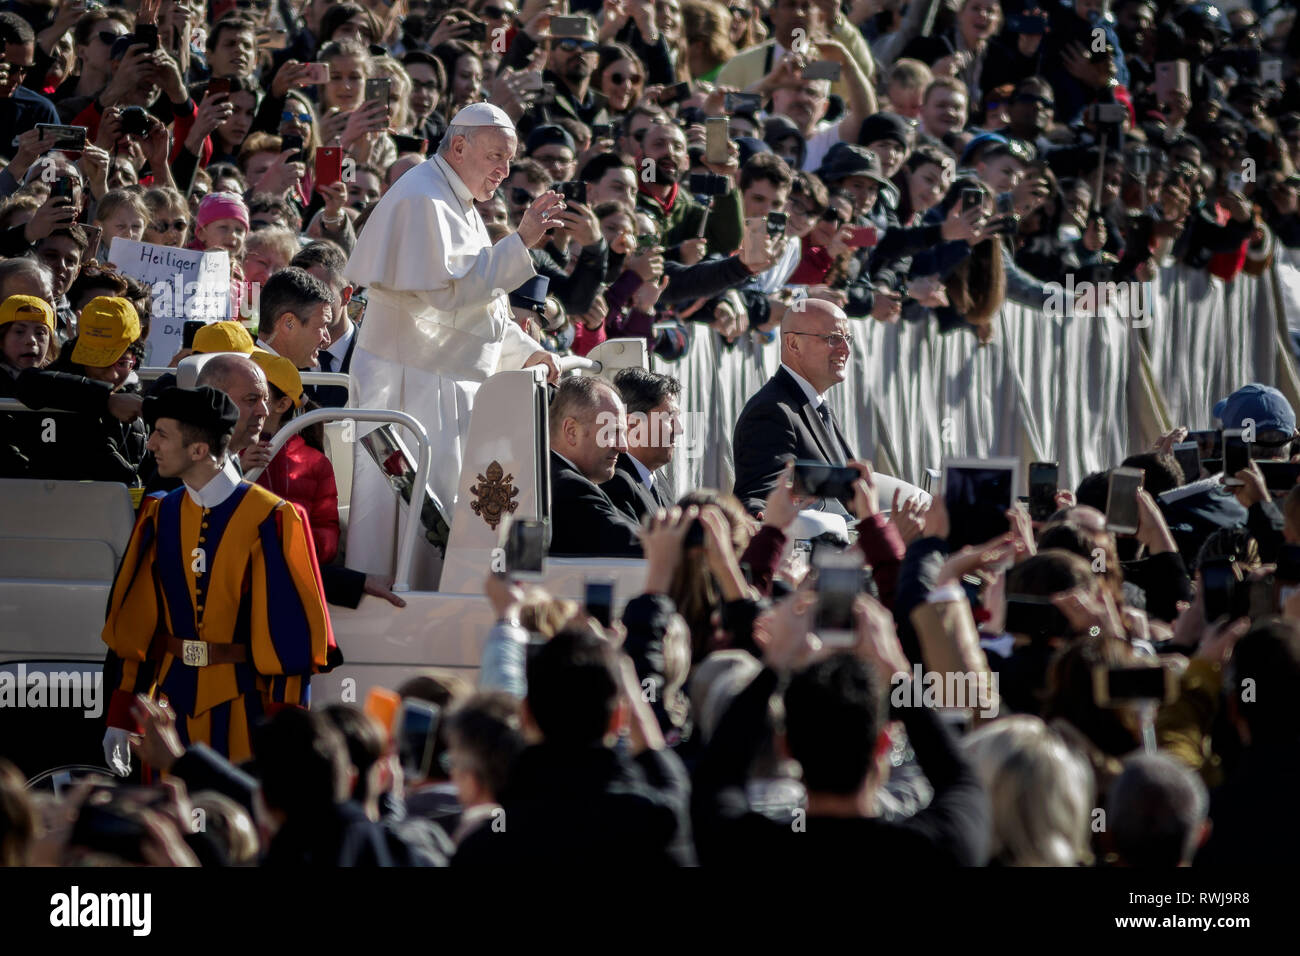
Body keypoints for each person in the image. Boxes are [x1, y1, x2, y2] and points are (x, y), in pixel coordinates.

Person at [343, 101, 563, 584]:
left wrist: (527, 351)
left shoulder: (454, 198)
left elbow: (478, 307)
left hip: (440, 385)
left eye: (510, 160)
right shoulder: (423, 197)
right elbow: (448, 297)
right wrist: (520, 241)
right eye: (496, 157)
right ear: (459, 146)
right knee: (405, 526)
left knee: (442, 518)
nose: (504, 172)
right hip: (408, 387)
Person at [100, 384, 334, 772]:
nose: (151, 444)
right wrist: (121, 715)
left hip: (247, 711)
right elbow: (135, 630)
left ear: (198, 450)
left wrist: (284, 735)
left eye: (162, 433)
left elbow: (290, 648)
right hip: (167, 709)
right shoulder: (159, 514)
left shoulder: (273, 518)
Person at [453, 628, 694, 866]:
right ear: (619, 718)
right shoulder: (656, 825)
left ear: (525, 716)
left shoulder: (485, 848)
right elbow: (665, 773)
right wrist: (623, 669)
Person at [732, 298, 856, 516]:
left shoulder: (815, 407)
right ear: (793, 344)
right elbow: (759, 501)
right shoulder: (772, 412)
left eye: (847, 339)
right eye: (833, 339)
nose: (845, 349)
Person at [547, 374, 643, 557]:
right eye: (611, 432)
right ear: (571, 431)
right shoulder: (570, 487)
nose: (623, 447)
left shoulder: (559, 476)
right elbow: (628, 544)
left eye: (623, 433)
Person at [602, 367, 678, 524]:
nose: (679, 429)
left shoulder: (656, 478)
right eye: (669, 418)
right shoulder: (616, 484)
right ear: (633, 424)